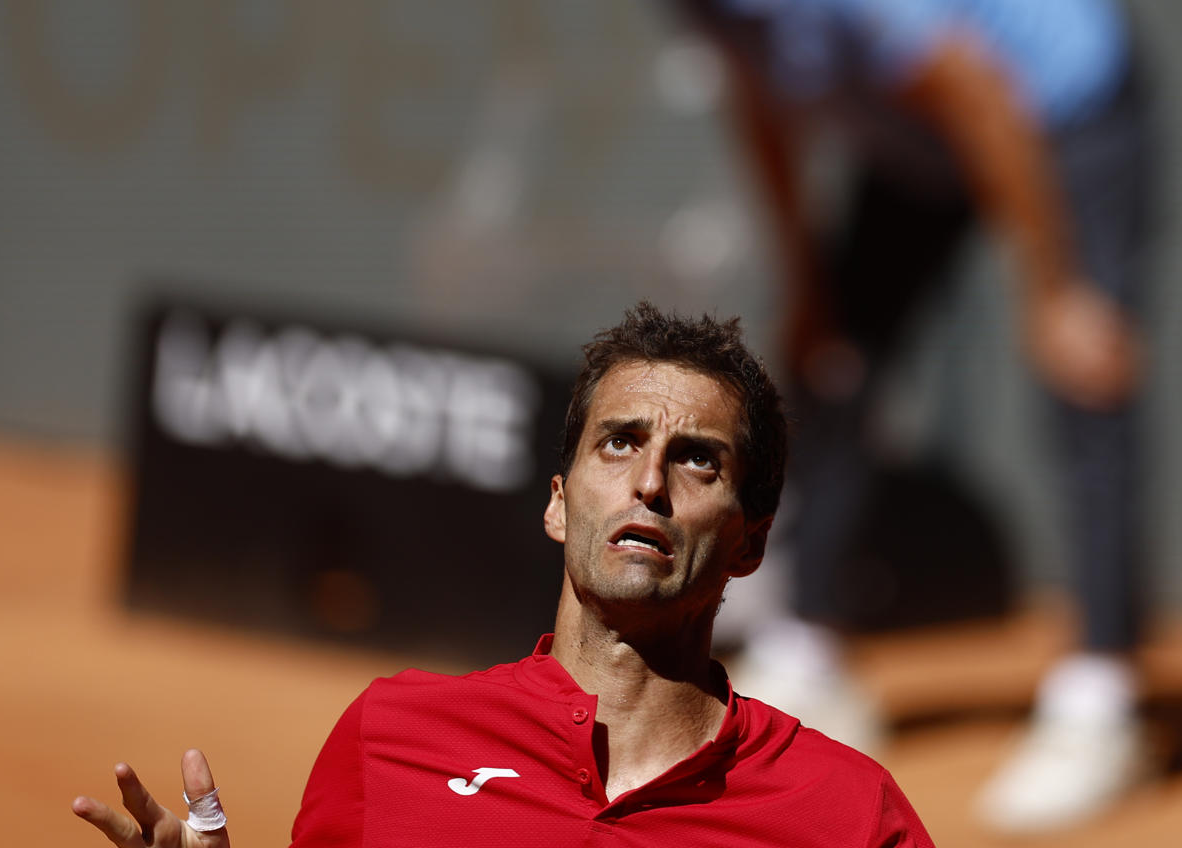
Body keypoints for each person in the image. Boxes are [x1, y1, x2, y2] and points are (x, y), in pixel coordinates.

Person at [580, 0, 1165, 834]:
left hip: (1059, 95)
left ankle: (1106, 699)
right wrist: (809, 281)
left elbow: (985, 99)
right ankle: (813, 653)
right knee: (827, 363)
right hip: (920, 144)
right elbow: (761, 102)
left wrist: (1055, 290)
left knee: (1083, 369)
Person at [70, 302, 935, 847]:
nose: (648, 482)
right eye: (620, 441)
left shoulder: (849, 817)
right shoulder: (390, 740)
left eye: (698, 462)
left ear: (750, 545)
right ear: (560, 504)